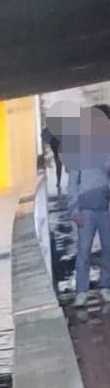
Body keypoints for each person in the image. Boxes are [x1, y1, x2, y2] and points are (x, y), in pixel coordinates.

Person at [66, 106, 110, 308]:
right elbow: (73, 183)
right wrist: (73, 210)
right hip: (85, 208)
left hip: (105, 205)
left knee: (108, 249)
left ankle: (105, 286)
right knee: (83, 250)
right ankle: (81, 291)